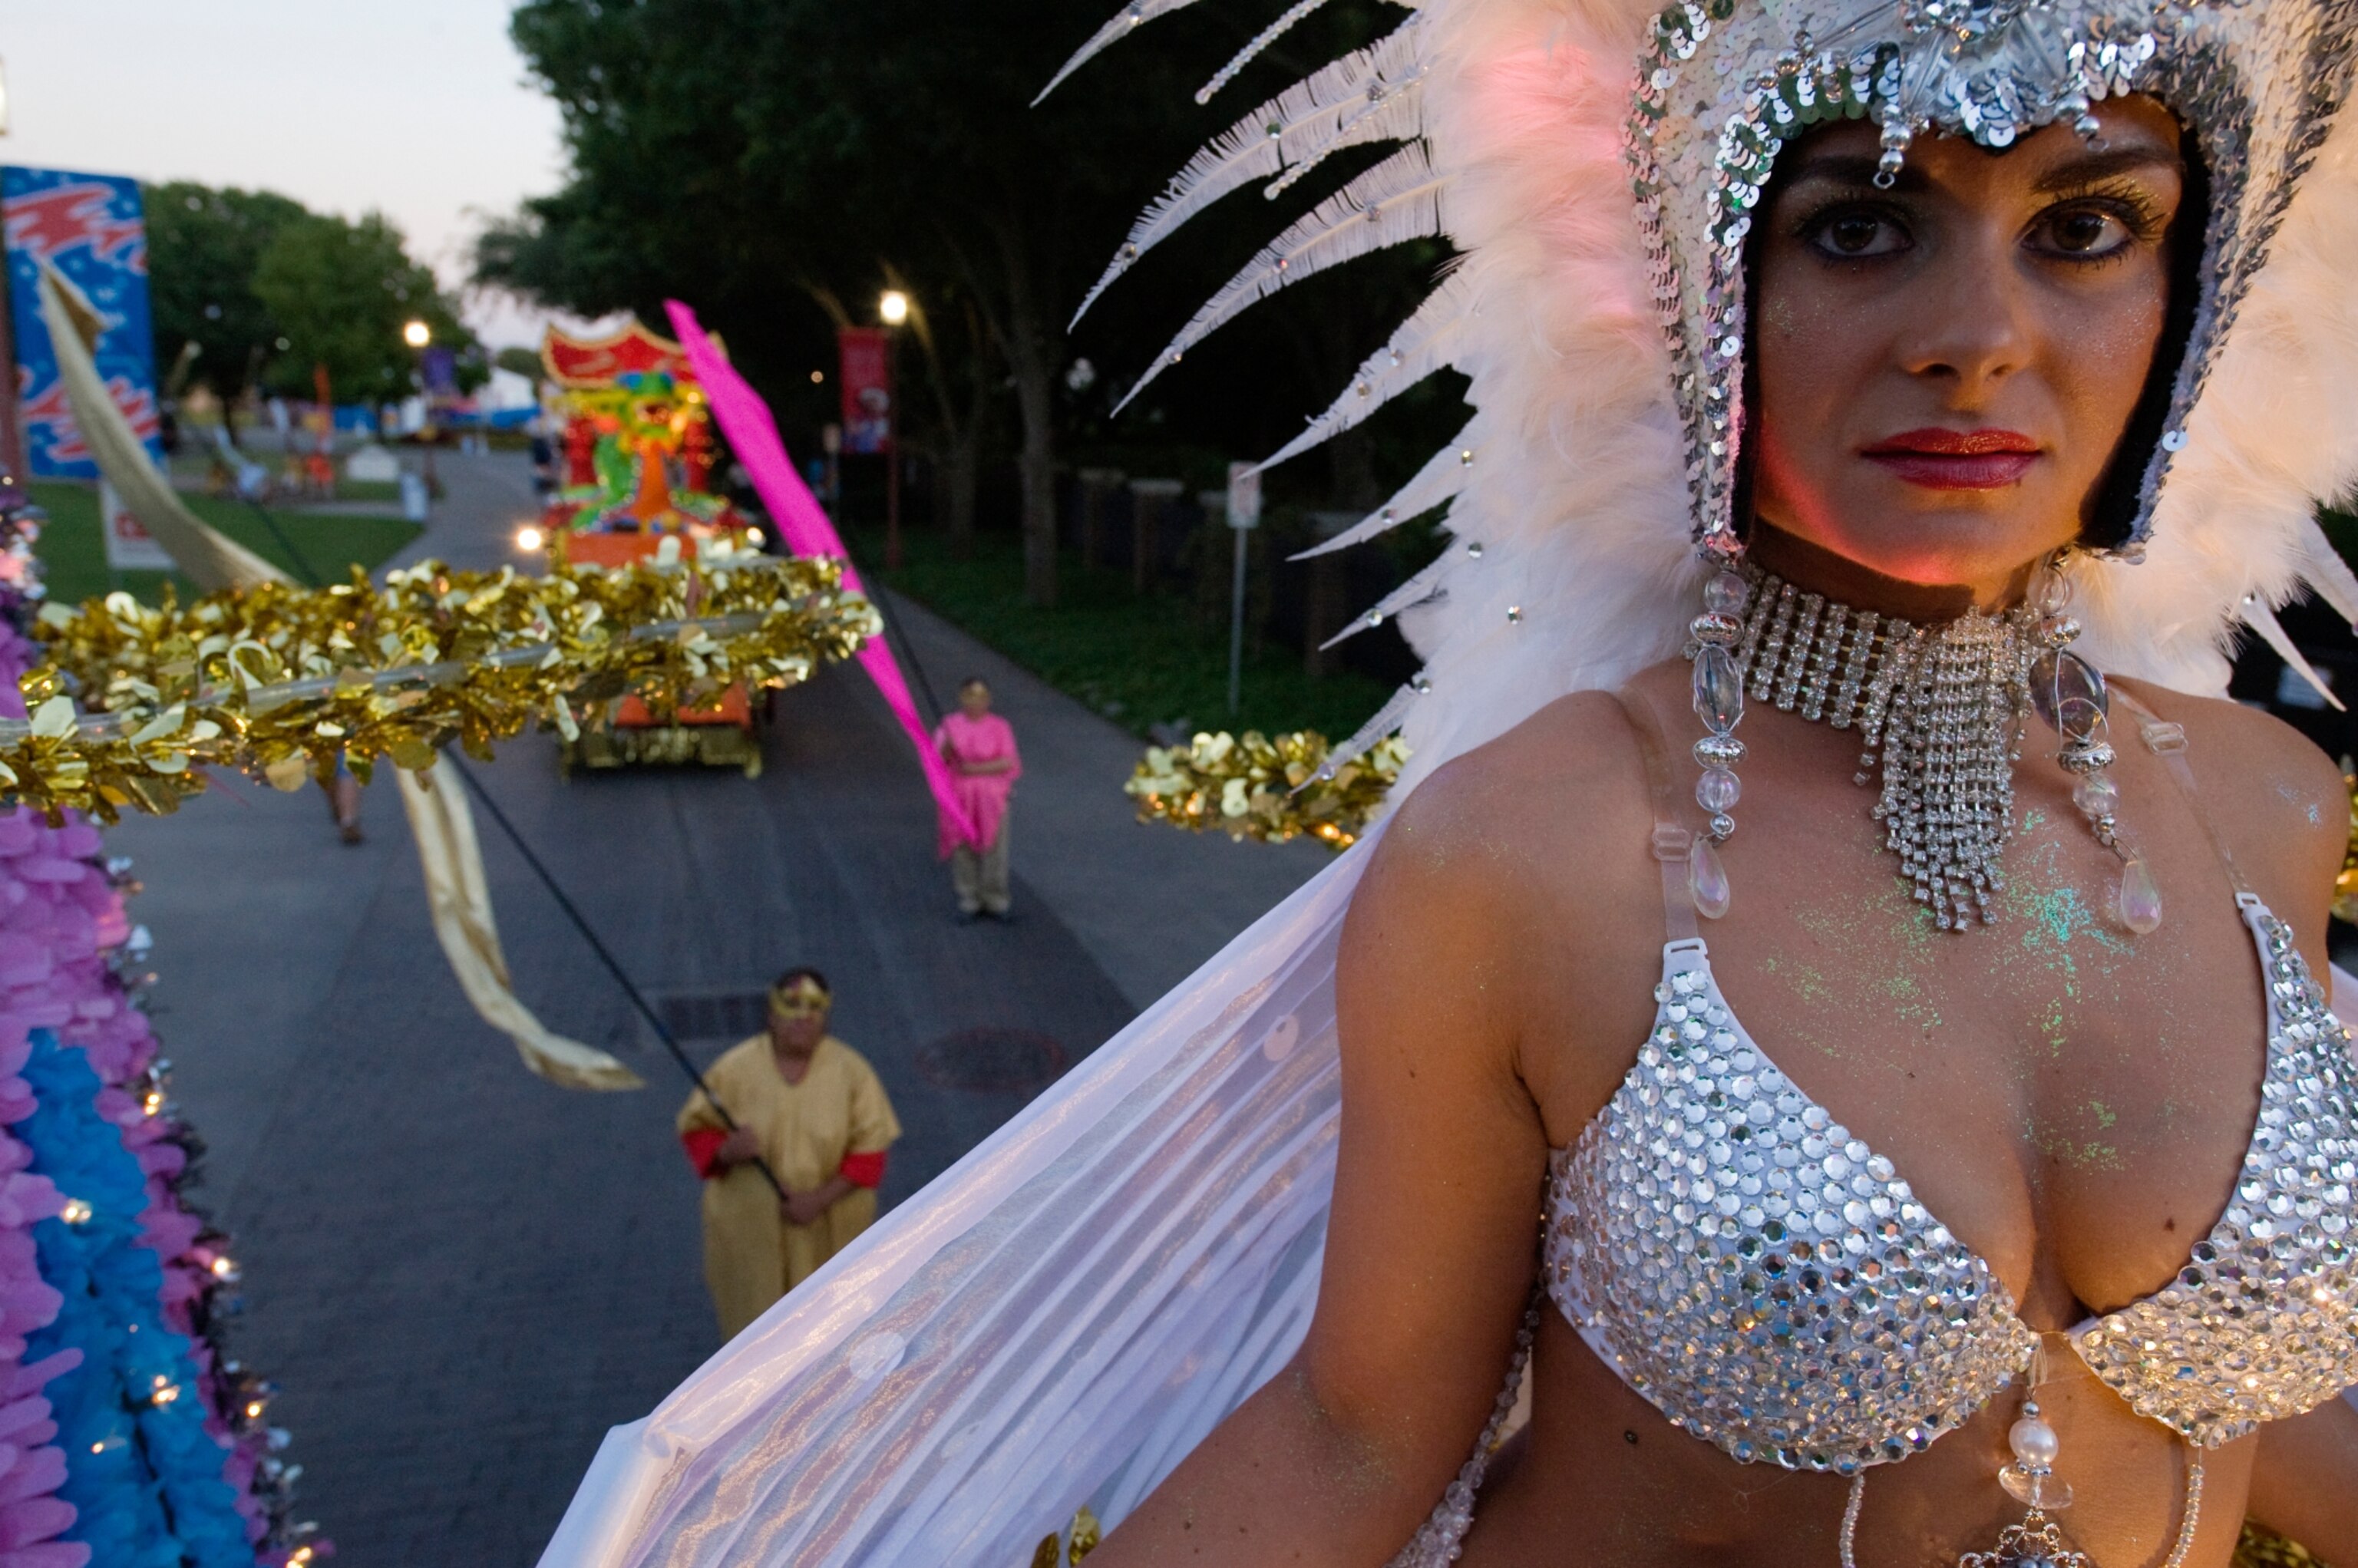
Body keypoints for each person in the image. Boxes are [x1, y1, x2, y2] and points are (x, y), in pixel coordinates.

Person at [537, 0, 2358, 1560]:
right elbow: (1354, 1435)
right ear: (1712, 275)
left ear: (2185, 290)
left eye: (2086, 222)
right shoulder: (1530, 848)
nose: (1975, 333)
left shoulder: (2262, 808)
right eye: (1863, 223)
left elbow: (2216, 1405)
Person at [674, 969, 901, 1342]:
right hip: (751, 1236)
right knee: (755, 1337)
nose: (802, 1019)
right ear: (770, 1015)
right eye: (791, 1007)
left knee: (831, 1332)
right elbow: (698, 1130)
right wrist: (727, 1150)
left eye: (814, 1010)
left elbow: (871, 1153)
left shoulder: (854, 1073)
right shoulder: (733, 1069)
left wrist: (818, 1200)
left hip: (829, 1231)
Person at [936, 677, 1022, 921]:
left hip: (992, 797)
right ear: (961, 698)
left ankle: (995, 899)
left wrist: (974, 770)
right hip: (960, 795)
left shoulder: (999, 726)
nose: (975, 703)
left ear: (988, 700)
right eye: (969, 697)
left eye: (980, 697)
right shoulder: (950, 725)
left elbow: (1008, 761)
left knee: (995, 847)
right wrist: (948, 747)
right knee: (963, 846)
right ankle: (969, 898)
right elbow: (937, 762)